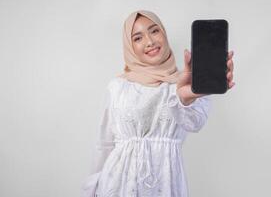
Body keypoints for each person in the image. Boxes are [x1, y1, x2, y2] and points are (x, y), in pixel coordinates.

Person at [81, 10, 235, 197]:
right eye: (138, 38)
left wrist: (187, 97)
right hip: (117, 185)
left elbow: (194, 123)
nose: (150, 41)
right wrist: (90, 190)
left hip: (165, 184)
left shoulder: (184, 83)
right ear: (130, 46)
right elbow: (104, 144)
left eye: (154, 31)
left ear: (164, 33)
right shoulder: (117, 87)